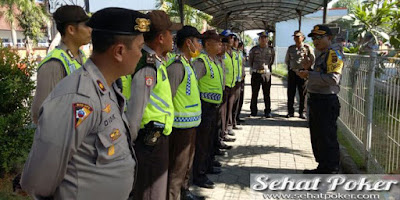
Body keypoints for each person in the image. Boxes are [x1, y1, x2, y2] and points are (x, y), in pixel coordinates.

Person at [20, 8, 149, 199]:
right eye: (139, 48)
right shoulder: (78, 97)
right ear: (119, 51)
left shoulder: (106, 87)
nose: (141, 55)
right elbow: (39, 181)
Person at [125, 10, 182, 200]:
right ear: (160, 37)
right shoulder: (148, 65)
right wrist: (131, 147)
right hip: (148, 143)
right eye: (170, 34)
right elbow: (135, 112)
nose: (173, 38)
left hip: (155, 140)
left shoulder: (157, 62)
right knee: (150, 193)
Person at [31, 5, 91, 124]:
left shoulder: (81, 56)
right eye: (86, 25)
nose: (90, 30)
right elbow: (40, 112)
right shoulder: (54, 63)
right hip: (65, 138)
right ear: (71, 30)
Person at [297, 25, 344, 174]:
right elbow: (320, 75)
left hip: (326, 101)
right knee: (318, 137)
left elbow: (333, 79)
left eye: (319, 37)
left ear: (329, 38)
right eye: (314, 38)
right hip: (317, 100)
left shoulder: (334, 54)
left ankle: (330, 169)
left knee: (326, 136)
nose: (316, 41)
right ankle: (323, 166)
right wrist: (309, 70)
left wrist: (309, 75)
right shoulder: (322, 54)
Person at [166, 25, 203, 200]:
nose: (199, 45)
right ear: (189, 43)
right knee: (176, 170)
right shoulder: (176, 67)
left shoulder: (188, 65)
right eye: (198, 41)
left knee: (186, 166)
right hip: (179, 129)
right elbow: (168, 98)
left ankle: (184, 192)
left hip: (190, 126)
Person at [192, 30, 224, 190]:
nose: (220, 45)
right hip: (204, 107)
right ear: (208, 44)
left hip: (214, 106)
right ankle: (199, 174)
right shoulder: (201, 61)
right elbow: (193, 84)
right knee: (202, 142)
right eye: (217, 42)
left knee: (211, 139)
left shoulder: (214, 60)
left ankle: (209, 164)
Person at [284, 30, 315, 119]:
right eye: (294, 37)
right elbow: (287, 60)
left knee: (303, 93)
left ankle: (302, 112)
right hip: (293, 72)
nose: (296, 38)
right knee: (291, 93)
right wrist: (292, 69)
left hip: (303, 73)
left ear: (302, 37)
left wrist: (307, 70)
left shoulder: (307, 48)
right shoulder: (291, 48)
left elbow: (312, 59)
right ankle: (290, 112)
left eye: (298, 37)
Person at [249, 31, 275, 118]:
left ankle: (267, 111)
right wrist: (254, 68)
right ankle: (253, 111)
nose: (263, 40)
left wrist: (267, 69)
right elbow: (250, 61)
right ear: (259, 39)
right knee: (254, 93)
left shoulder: (271, 50)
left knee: (266, 93)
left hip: (266, 74)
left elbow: (272, 61)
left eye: (265, 38)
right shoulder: (254, 49)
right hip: (256, 73)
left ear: (267, 39)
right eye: (261, 38)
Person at [219, 29, 237, 141]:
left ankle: (226, 129)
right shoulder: (221, 54)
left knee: (228, 110)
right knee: (222, 112)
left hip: (232, 85)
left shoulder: (233, 53)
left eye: (232, 38)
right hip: (223, 86)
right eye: (228, 38)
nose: (231, 40)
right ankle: (222, 133)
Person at [236, 41, 246, 124]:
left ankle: (237, 117)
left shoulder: (240, 53)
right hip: (234, 82)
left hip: (240, 79)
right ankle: (233, 120)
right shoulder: (233, 54)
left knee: (239, 100)